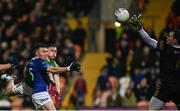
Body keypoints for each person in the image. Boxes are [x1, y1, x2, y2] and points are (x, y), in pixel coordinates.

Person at [126, 14, 180, 110]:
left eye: (170, 36)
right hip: (175, 86)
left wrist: (140, 29)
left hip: (165, 87)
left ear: (175, 41)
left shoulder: (165, 48)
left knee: (151, 110)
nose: (167, 36)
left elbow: (148, 40)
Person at [28, 44, 80, 110]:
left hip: (40, 93)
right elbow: (52, 70)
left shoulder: (34, 61)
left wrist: (57, 92)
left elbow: (55, 77)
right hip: (40, 93)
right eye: (51, 51)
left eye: (55, 51)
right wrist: (68, 68)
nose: (54, 53)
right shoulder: (41, 62)